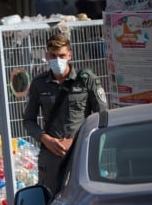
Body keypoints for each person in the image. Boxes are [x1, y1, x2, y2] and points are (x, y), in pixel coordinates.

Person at [23, 33, 108, 194]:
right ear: (47, 56)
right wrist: (45, 139)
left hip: (82, 151)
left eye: (62, 55)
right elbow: (29, 120)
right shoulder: (39, 84)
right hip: (52, 155)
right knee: (50, 202)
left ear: (70, 55)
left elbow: (102, 116)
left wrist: (75, 140)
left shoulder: (85, 80)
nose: (58, 60)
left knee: (86, 198)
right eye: (53, 56)